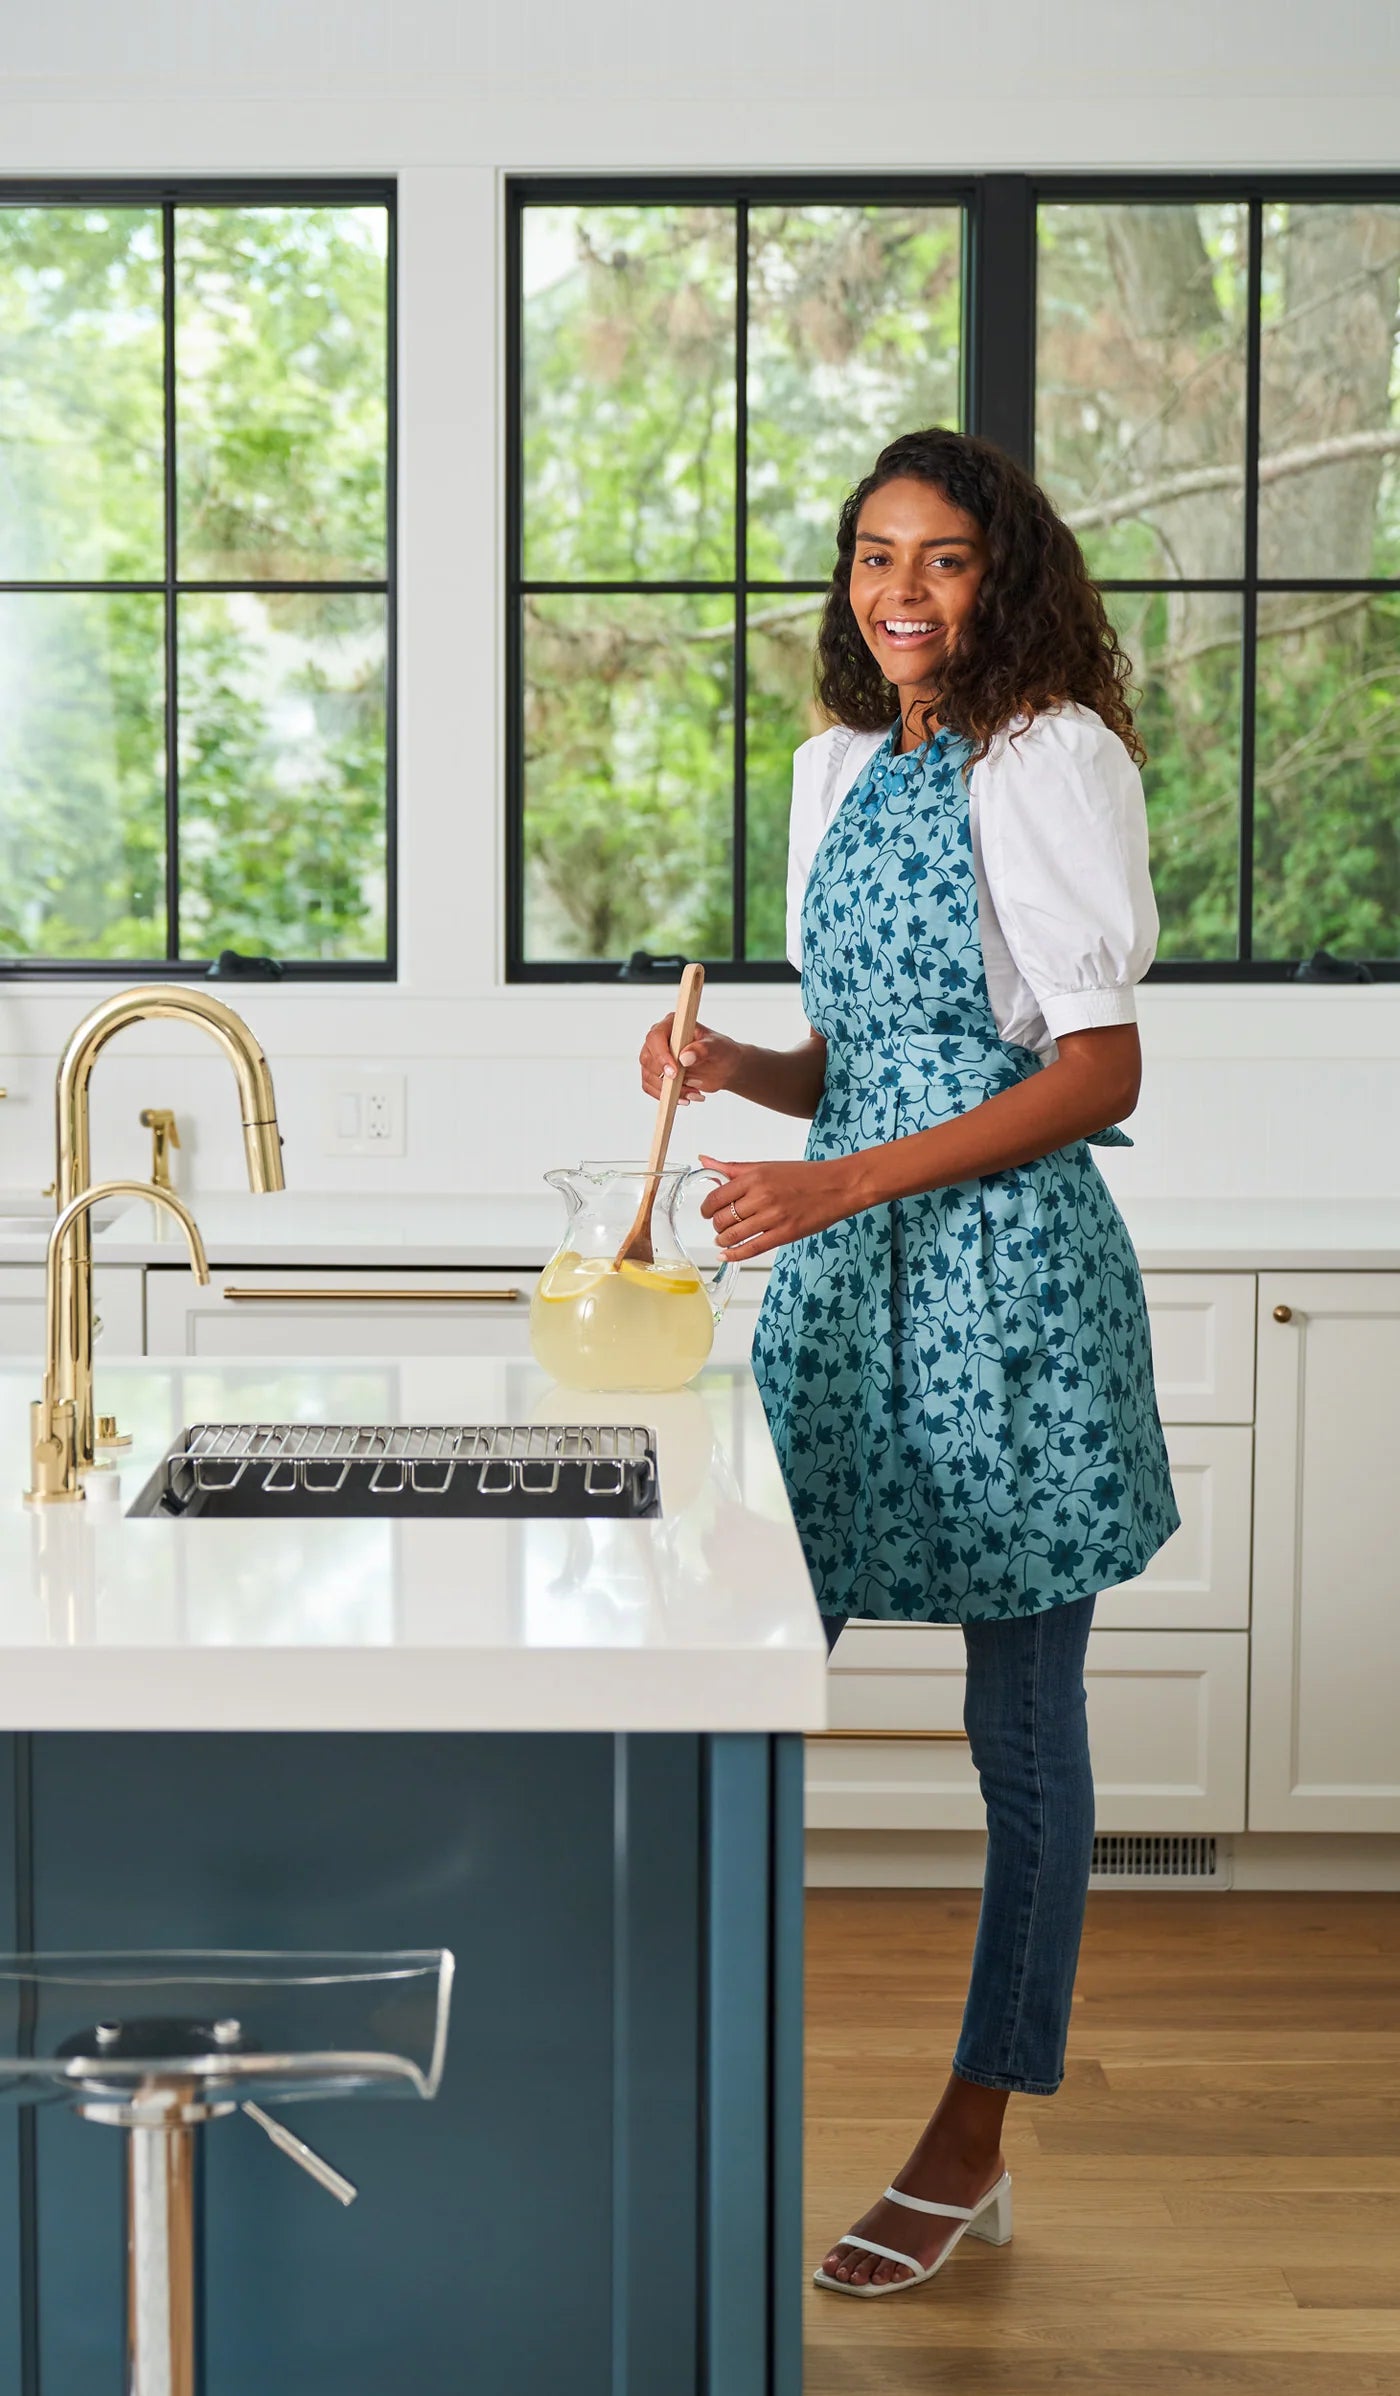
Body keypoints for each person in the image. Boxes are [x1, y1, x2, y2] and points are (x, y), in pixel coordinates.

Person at [638, 425, 1179, 2301]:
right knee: (740, 1685)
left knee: (1018, 1746)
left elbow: (1091, 1068)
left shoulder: (1055, 759)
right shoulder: (834, 769)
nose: (901, 595)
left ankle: (973, 2130)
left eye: (943, 560)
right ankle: (667, 2086)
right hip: (843, 1288)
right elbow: (856, 1046)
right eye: (876, 556)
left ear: (1002, 575)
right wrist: (739, 1075)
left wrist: (840, 1169)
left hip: (1006, 1292)